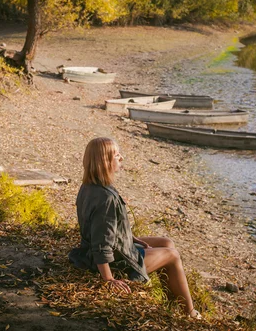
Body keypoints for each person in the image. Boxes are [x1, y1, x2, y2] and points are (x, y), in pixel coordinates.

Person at [68, 137, 201, 319]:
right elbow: (101, 244)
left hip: (110, 247)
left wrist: (131, 238)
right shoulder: (106, 198)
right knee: (173, 255)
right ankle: (190, 313)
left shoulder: (89, 186)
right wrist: (109, 279)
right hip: (115, 261)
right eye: (116, 155)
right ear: (104, 161)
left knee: (166, 242)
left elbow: (104, 227)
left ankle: (172, 298)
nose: (121, 158)